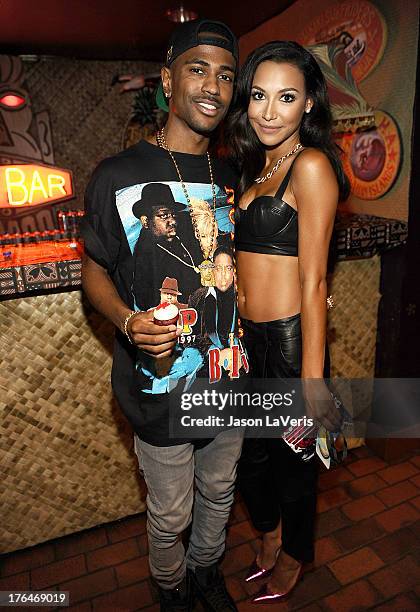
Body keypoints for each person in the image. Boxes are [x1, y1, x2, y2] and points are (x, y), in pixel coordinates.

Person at [81, 18, 244, 612]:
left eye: (226, 75)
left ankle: (205, 572)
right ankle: (171, 586)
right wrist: (127, 322)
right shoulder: (116, 176)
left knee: (221, 493)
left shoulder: (233, 176)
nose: (212, 86)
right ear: (169, 81)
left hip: (229, 378)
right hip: (160, 387)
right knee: (171, 508)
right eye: (198, 69)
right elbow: (93, 270)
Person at [227, 41, 350, 603]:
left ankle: (296, 552)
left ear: (308, 106)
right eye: (258, 95)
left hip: (285, 339)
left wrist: (312, 378)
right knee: (250, 458)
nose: (268, 111)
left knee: (293, 462)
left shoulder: (311, 165)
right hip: (246, 342)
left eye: (286, 97)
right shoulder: (257, 162)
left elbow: (315, 282)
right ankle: (270, 534)